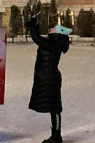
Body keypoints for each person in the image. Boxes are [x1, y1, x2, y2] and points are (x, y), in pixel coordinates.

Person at [26, 14, 70, 143]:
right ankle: (55, 135)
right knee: (53, 107)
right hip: (48, 76)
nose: (52, 28)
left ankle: (56, 136)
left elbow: (36, 38)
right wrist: (35, 23)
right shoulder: (53, 42)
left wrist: (32, 26)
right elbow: (39, 38)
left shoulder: (54, 44)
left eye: (55, 28)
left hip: (50, 77)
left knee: (55, 107)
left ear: (59, 34)